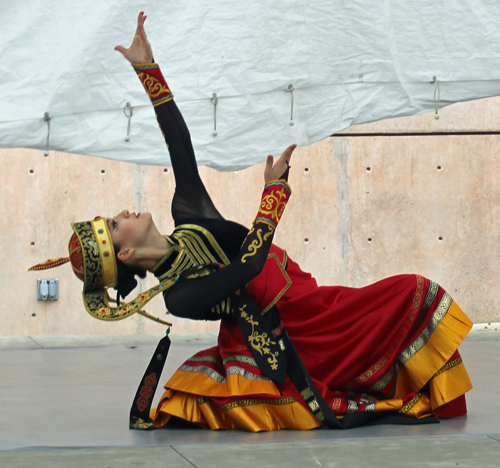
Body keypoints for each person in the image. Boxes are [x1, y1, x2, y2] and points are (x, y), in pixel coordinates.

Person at [30, 12, 472, 432]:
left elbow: (177, 141)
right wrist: (274, 194)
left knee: (411, 295)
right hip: (290, 331)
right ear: (124, 253)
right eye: (115, 222)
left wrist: (148, 69)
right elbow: (247, 267)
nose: (124, 212)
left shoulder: (188, 212)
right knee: (413, 290)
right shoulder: (179, 297)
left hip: (304, 296)